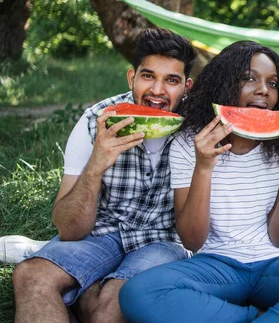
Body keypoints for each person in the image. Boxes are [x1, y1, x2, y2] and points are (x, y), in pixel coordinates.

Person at [118, 41, 279, 323]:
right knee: (138, 292)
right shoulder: (189, 142)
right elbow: (192, 239)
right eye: (249, 78)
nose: (263, 89)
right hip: (218, 265)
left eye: (273, 83)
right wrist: (203, 167)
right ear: (224, 84)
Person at [11, 28, 196, 323]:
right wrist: (96, 164)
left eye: (171, 80)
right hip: (100, 235)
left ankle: (83, 295)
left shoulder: (198, 131)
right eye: (148, 76)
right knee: (31, 276)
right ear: (131, 77)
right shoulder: (95, 120)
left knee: (108, 310)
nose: (158, 91)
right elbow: (69, 229)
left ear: (187, 86)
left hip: (162, 242)